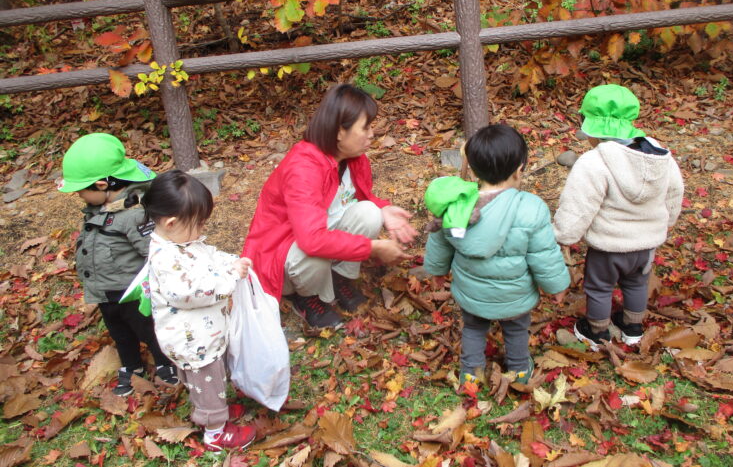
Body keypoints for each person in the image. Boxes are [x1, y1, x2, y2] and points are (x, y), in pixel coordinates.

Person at [243, 83, 417, 330]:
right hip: (284, 249)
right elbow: (311, 240)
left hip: (314, 234)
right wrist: (372, 247)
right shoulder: (304, 168)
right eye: (365, 127)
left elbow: (353, 197)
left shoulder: (353, 158)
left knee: (369, 212)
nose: (371, 134)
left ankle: (339, 279)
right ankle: (305, 297)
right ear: (339, 132)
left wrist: (384, 209)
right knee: (311, 256)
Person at [423, 124, 570, 385]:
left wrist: (436, 272)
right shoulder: (531, 208)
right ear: (519, 168)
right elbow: (544, 255)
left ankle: (471, 372)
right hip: (514, 295)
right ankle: (519, 369)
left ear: (475, 169)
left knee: (474, 328)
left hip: (472, 293)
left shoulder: (456, 207)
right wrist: (556, 285)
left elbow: (439, 243)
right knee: (516, 329)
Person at [553, 84, 684, 351]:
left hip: (609, 246)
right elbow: (674, 191)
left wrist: (563, 236)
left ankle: (597, 332)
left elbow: (578, 205)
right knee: (637, 283)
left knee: (599, 287)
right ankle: (632, 327)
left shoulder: (593, 162)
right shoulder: (659, 155)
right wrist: (667, 221)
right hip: (646, 244)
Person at [142, 170, 256, 451]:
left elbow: (207, 254)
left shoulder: (180, 242)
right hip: (193, 341)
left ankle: (216, 407)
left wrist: (231, 262)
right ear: (171, 222)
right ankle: (215, 429)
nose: (202, 230)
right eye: (198, 223)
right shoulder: (166, 258)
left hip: (204, 332)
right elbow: (190, 293)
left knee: (211, 378)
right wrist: (230, 280)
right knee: (207, 380)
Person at [57, 133, 178, 396]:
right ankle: (131, 366)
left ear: (102, 185)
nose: (80, 196)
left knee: (147, 328)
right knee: (120, 333)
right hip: (105, 291)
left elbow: (153, 252)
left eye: (82, 191)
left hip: (132, 292)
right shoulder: (100, 210)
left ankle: (164, 360)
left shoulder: (132, 215)